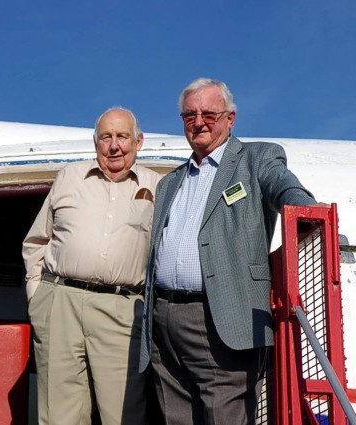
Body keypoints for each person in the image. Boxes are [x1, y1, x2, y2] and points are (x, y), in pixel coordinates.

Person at [139, 78, 317, 425]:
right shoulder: (170, 182)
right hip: (164, 320)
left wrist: (307, 209)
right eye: (190, 115)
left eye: (209, 113)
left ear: (230, 118)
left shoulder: (255, 159)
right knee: (175, 418)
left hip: (220, 318)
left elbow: (283, 185)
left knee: (224, 417)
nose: (199, 122)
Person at [23, 107, 160, 425]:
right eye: (106, 137)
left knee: (123, 414)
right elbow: (36, 241)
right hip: (60, 303)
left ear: (138, 142)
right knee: (59, 415)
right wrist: (38, 297)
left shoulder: (159, 187)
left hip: (123, 308)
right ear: (95, 142)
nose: (115, 145)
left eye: (123, 136)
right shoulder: (69, 177)